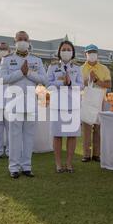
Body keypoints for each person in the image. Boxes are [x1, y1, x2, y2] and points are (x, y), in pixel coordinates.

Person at [0, 31, 48, 179]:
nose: (22, 41)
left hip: (31, 104)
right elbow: (2, 79)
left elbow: (44, 80)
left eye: (25, 39)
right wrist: (21, 72)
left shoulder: (36, 60)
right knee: (14, 136)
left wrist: (29, 74)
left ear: (29, 41)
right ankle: (14, 167)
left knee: (29, 136)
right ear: (15, 41)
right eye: (19, 39)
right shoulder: (7, 60)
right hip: (14, 104)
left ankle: (26, 166)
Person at [47, 40, 83, 173]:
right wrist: (61, 82)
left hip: (73, 105)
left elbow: (81, 85)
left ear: (72, 52)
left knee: (71, 135)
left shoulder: (77, 68)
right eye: (64, 49)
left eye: (69, 49)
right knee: (57, 135)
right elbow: (47, 84)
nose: (66, 52)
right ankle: (58, 164)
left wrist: (70, 83)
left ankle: (68, 163)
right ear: (59, 52)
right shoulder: (52, 67)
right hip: (57, 105)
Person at [81, 44, 111, 163]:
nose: (92, 54)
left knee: (98, 128)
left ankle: (96, 154)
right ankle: (86, 154)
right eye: (89, 52)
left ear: (97, 54)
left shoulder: (104, 68)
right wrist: (88, 79)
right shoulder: (80, 69)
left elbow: (108, 85)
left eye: (94, 52)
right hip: (86, 100)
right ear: (85, 54)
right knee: (87, 128)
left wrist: (97, 80)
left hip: (100, 100)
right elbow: (79, 85)